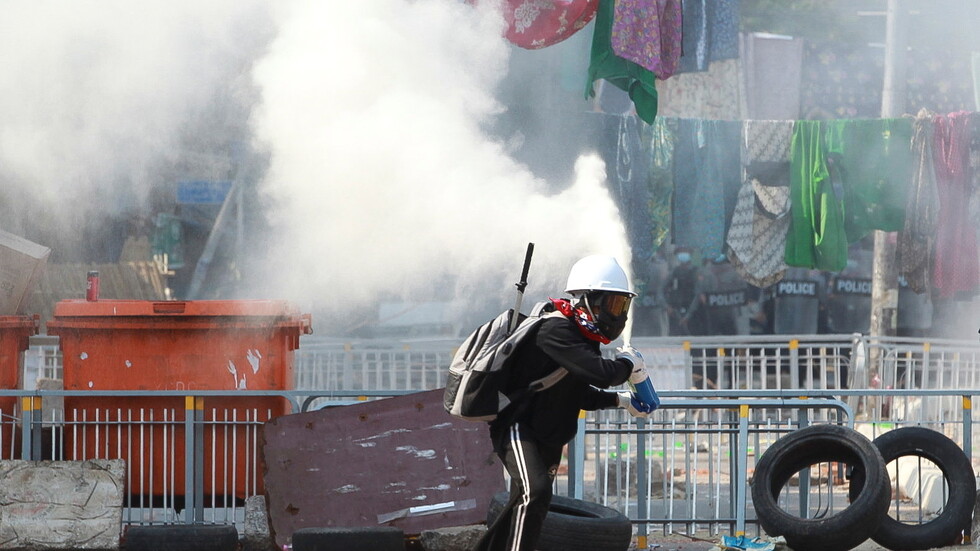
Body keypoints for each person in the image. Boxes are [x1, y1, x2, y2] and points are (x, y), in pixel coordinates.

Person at [475, 255, 657, 551]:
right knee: (535, 493)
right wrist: (628, 363)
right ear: (588, 300)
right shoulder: (556, 330)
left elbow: (579, 392)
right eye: (613, 304)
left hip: (548, 434)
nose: (618, 314)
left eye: (622, 306)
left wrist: (621, 400)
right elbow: (600, 373)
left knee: (526, 502)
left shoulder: (584, 339)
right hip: (518, 426)